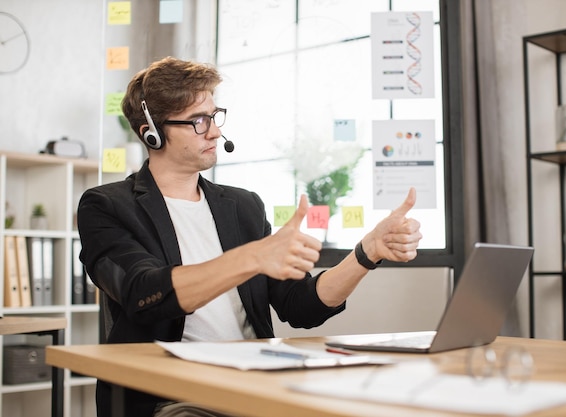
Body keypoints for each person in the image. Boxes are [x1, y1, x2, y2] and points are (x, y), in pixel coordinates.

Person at [77, 56, 422, 417]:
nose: (214, 131)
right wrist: (253, 257)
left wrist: (367, 253)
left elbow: (300, 306)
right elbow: (143, 292)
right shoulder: (107, 205)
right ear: (152, 131)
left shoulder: (243, 207)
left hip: (254, 384)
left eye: (214, 115)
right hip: (172, 395)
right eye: (198, 121)